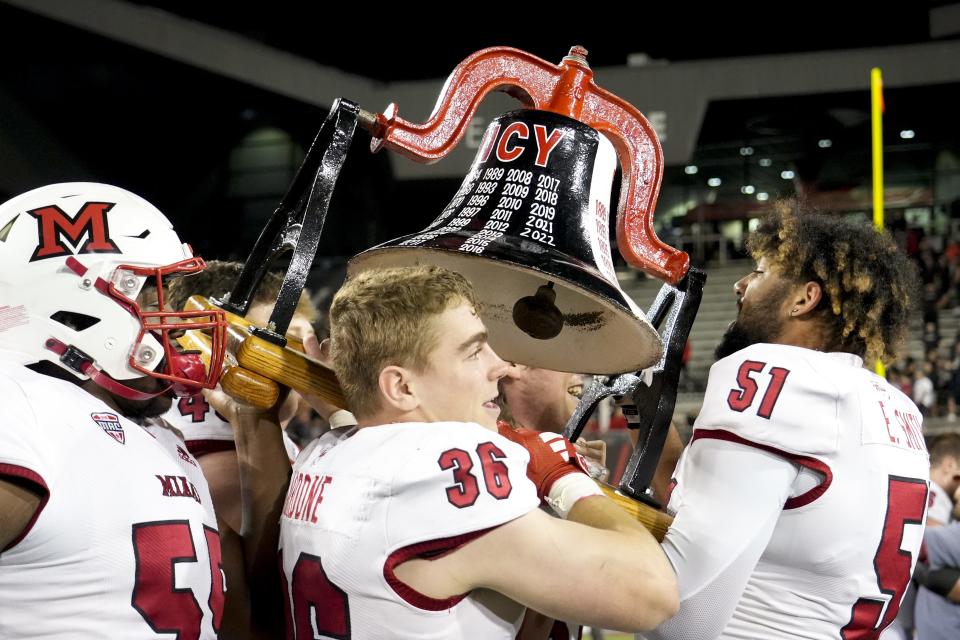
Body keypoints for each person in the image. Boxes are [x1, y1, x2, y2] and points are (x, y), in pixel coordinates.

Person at [248, 265, 678, 638]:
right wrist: (562, 476)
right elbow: (654, 594)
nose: (502, 366)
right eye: (473, 351)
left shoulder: (324, 452)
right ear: (401, 387)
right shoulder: (445, 466)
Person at [640, 202, 930, 639]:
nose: (740, 284)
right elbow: (766, 529)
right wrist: (645, 416)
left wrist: (569, 490)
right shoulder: (896, 408)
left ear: (803, 298)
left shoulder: (773, 376)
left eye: (758, 273)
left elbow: (683, 620)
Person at [0, 182, 229, 638]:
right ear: (75, 305)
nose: (176, 324)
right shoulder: (20, 408)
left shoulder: (157, 432)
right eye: (152, 296)